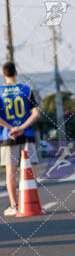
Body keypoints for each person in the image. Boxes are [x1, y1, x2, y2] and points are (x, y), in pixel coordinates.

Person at [0, 62, 40, 216]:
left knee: (11, 172)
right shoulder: (26, 90)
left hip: (7, 136)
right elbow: (36, 113)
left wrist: (12, 128)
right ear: (16, 73)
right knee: (30, 171)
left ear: (3, 75)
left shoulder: (0, 91)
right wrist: (22, 128)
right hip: (27, 135)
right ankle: (33, 203)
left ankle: (14, 205)